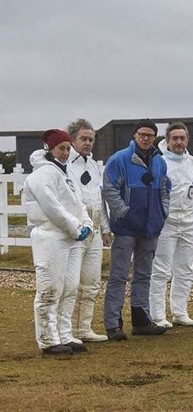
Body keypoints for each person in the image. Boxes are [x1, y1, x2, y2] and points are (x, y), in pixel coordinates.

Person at [23, 129, 93, 355]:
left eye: (66, 148)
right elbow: (53, 208)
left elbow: (78, 202)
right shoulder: (41, 176)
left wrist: (87, 224)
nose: (64, 153)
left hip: (71, 238)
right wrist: (75, 227)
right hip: (50, 237)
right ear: (50, 149)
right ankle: (47, 339)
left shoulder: (66, 173)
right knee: (50, 289)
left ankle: (64, 334)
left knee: (70, 287)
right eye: (60, 148)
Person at [102, 119, 170, 340]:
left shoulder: (159, 161)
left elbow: (164, 188)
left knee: (144, 275)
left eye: (150, 135)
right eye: (142, 134)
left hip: (150, 227)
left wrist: (163, 212)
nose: (146, 138)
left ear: (154, 137)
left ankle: (141, 320)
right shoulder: (119, 160)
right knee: (118, 276)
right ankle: (113, 324)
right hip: (126, 228)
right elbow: (109, 188)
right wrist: (122, 211)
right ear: (134, 135)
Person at [149, 123, 193, 327]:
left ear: (187, 140)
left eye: (182, 138)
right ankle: (157, 315)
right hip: (166, 223)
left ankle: (180, 311)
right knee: (161, 269)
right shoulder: (159, 162)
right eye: (175, 138)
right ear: (167, 140)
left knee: (186, 269)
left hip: (189, 222)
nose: (179, 142)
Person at [62, 119, 110, 344]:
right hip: (75, 232)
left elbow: (100, 199)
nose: (88, 143)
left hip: (96, 232)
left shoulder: (93, 166)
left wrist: (105, 228)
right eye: (83, 139)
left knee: (91, 282)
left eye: (91, 139)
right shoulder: (63, 165)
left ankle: (84, 328)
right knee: (69, 284)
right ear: (72, 140)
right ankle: (64, 330)